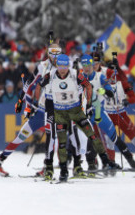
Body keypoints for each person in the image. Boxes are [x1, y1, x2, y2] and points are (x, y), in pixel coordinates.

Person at [36, 54, 119, 182]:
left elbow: (88, 86)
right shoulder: (51, 75)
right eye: (60, 66)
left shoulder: (75, 74)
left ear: (68, 66)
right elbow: (39, 85)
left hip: (75, 110)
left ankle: (105, 161)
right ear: (57, 65)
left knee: (89, 135)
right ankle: (63, 170)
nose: (62, 69)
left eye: (65, 66)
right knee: (62, 142)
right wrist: (37, 102)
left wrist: (88, 104)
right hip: (60, 112)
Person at [80, 54, 135, 172]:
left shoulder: (100, 77)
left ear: (92, 66)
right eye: (84, 66)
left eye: (89, 65)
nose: (86, 68)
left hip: (99, 112)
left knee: (114, 137)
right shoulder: (79, 77)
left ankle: (131, 161)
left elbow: (110, 93)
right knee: (89, 139)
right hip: (86, 114)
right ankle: (92, 165)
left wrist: (102, 90)